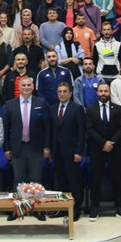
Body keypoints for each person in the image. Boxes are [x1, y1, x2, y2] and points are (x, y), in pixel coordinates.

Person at [2, 77, 50, 221]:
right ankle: (17, 209)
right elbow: (6, 129)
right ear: (19, 87)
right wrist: (7, 148)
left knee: (36, 180)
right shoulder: (10, 104)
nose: (26, 87)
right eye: (24, 85)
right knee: (18, 180)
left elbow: (47, 127)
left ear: (33, 86)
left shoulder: (41, 103)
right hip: (18, 148)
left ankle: (38, 210)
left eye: (29, 85)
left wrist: (47, 146)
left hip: (36, 148)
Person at [86, 83, 121, 221]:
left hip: (114, 149)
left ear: (110, 93)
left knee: (117, 179)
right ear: (97, 93)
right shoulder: (90, 110)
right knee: (95, 180)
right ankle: (94, 207)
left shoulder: (118, 109)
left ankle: (119, 207)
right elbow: (89, 129)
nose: (103, 93)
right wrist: (103, 143)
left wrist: (111, 143)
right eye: (101, 91)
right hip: (97, 149)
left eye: (106, 91)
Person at [48, 83, 85, 221]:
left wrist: (79, 151)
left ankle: (76, 209)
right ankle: (63, 208)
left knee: (74, 182)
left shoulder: (77, 109)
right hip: (57, 152)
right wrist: (50, 150)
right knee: (60, 182)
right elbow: (51, 131)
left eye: (65, 91)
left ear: (70, 93)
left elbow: (81, 132)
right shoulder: (52, 109)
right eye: (60, 91)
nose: (62, 94)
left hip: (72, 152)